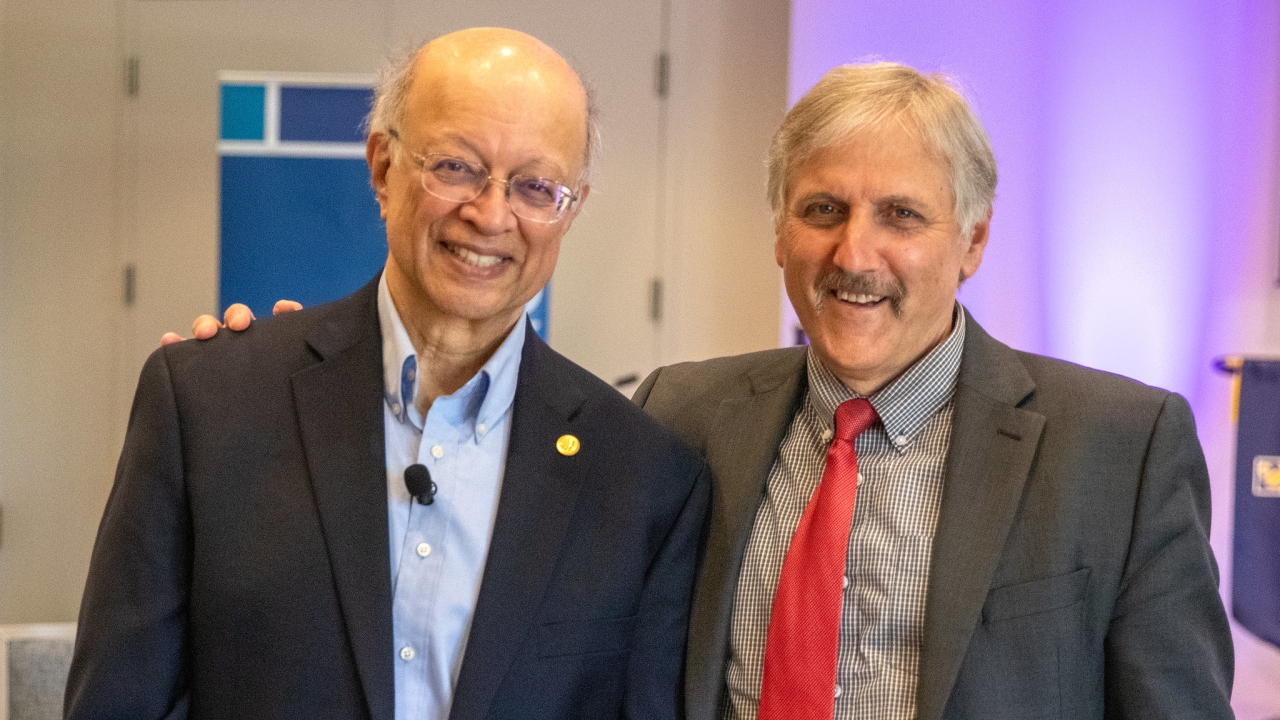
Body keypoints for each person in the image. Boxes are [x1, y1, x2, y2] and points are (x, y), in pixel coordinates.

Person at [192, 62, 1235, 719]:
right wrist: (290, 376)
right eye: (820, 208)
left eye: (901, 217)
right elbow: (484, 460)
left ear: (970, 241)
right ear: (778, 229)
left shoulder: (1117, 447)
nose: (853, 252)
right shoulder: (675, 418)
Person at [66, 28, 709, 720]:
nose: (490, 215)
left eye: (534, 186)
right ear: (381, 166)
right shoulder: (208, 402)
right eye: (457, 167)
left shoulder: (645, 481)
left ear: (569, 209)